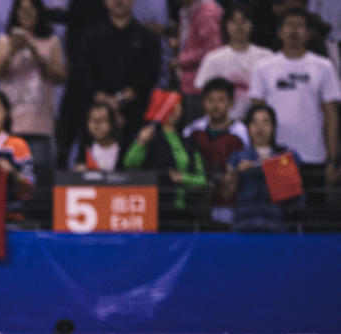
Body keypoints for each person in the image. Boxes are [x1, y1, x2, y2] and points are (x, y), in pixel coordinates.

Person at [249, 8, 341, 181]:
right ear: (280, 31)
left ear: (308, 33)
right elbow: (256, 114)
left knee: (313, 207)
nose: (293, 31)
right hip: (275, 155)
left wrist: (332, 158)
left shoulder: (324, 66)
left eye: (299, 26)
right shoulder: (263, 67)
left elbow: (331, 115)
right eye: (289, 26)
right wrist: (259, 153)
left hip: (314, 155)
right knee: (277, 208)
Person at [70, 0, 164, 143]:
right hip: (97, 122)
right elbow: (83, 74)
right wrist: (105, 101)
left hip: (137, 121)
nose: (119, 1)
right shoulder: (91, 38)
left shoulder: (148, 38)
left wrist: (122, 99)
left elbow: (151, 74)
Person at [0, 0, 66, 169]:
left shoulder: (51, 41)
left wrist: (33, 49)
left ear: (39, 13)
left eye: (31, 9)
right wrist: (12, 51)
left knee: (41, 183)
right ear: (16, 13)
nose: (26, 14)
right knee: (9, 182)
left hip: (41, 126)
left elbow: (59, 77)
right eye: (22, 9)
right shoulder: (4, 40)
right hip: (10, 126)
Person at [120, 91, 206, 222]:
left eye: (176, 105)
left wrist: (183, 178)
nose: (173, 109)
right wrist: (141, 142)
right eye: (168, 105)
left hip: (188, 214)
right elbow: (130, 164)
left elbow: (202, 180)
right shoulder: (150, 139)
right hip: (156, 212)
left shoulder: (190, 142)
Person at [185, 76, 250, 222]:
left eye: (221, 100)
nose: (215, 105)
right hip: (198, 201)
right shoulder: (192, 130)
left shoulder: (241, 133)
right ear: (203, 103)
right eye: (210, 100)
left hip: (230, 203)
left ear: (231, 103)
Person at [227, 100, 301, 227]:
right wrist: (236, 173)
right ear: (248, 127)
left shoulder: (286, 156)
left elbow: (294, 197)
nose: (259, 127)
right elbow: (227, 192)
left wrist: (270, 168)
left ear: (273, 127)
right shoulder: (237, 157)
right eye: (254, 122)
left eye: (265, 122)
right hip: (245, 221)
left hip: (276, 221)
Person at [196, 4, 274, 117]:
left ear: (252, 25)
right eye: (233, 21)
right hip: (222, 124)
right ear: (226, 25)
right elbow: (203, 92)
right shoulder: (212, 59)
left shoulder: (267, 57)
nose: (239, 26)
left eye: (244, 21)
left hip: (256, 124)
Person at [176, 0, 226, 105]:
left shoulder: (206, 12)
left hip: (200, 85)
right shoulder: (189, 9)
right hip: (190, 83)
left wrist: (183, 60)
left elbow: (212, 49)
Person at [68, 98, 125, 168]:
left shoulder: (123, 148)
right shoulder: (80, 147)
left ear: (112, 123)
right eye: (93, 120)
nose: (97, 126)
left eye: (102, 120)